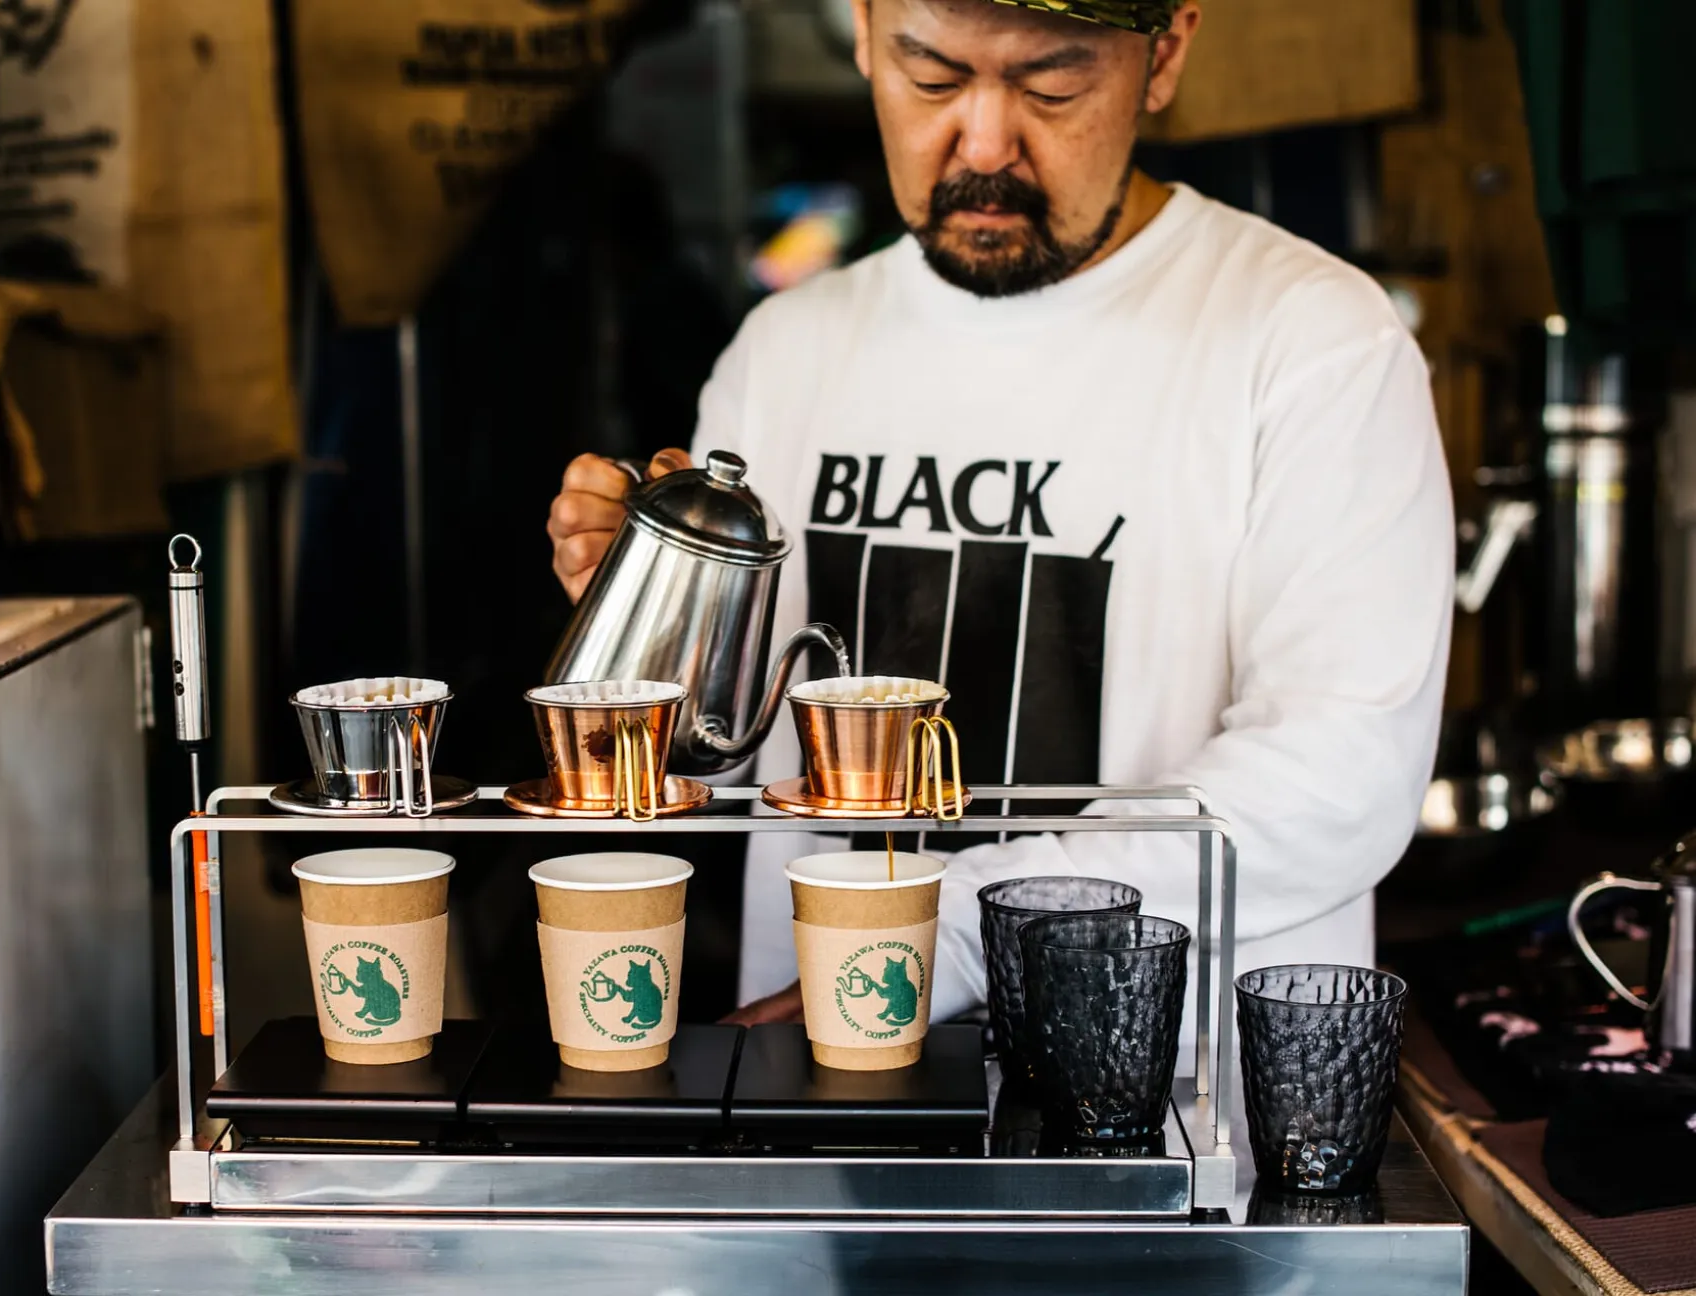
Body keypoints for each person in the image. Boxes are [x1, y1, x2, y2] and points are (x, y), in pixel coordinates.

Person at [546, 0, 1452, 1037]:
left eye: (1049, 88)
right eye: (930, 79)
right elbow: (721, 756)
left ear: (1164, 56)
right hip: (824, 1095)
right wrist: (651, 630)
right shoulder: (786, 349)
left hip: (1163, 1106)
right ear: (864, 33)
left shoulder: (1312, 343)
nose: (981, 145)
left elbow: (1335, 780)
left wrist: (950, 941)